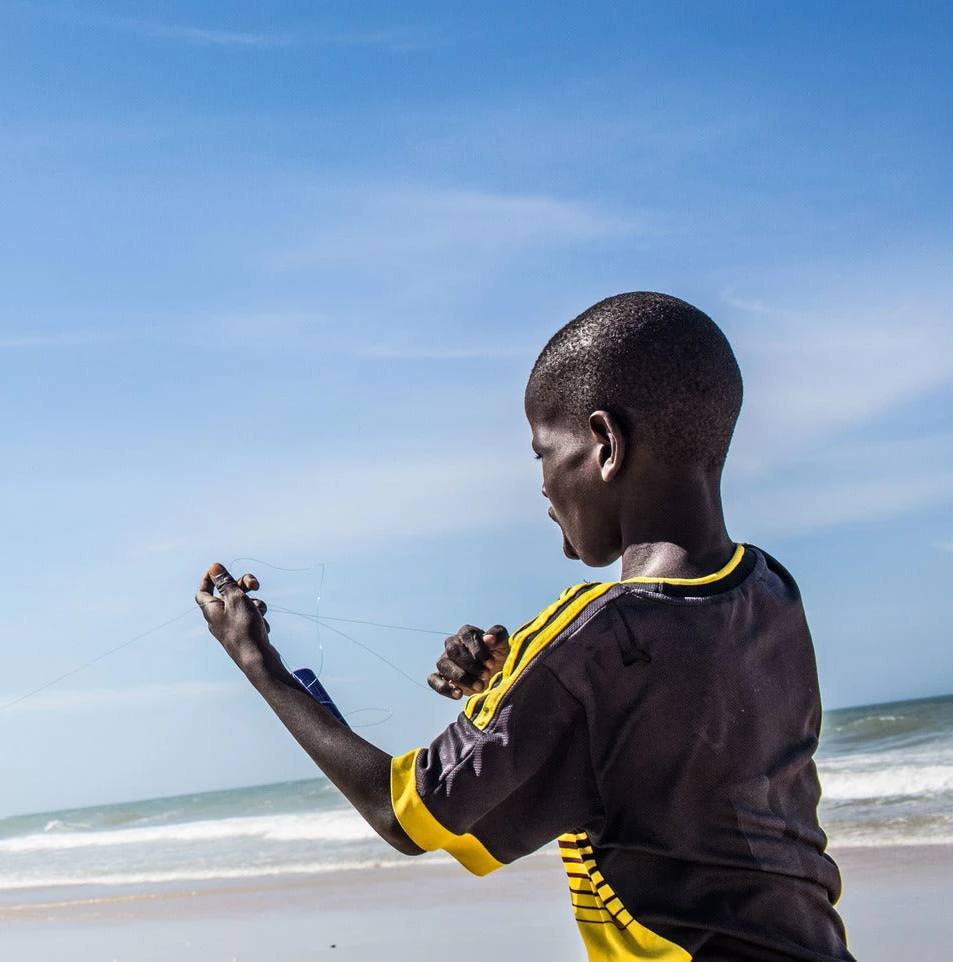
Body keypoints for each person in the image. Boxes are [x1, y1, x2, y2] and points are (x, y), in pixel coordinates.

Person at [195, 292, 852, 961]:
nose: (540, 485)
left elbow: (404, 814)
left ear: (605, 444)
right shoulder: (769, 589)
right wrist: (515, 676)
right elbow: (661, 735)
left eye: (543, 452)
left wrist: (256, 659)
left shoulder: (597, 642)